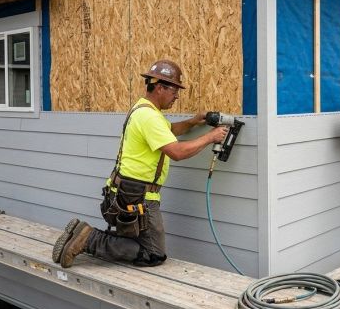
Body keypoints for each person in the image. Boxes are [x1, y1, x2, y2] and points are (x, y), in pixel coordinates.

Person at [52, 60, 228, 268]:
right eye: (174, 90)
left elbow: (169, 130)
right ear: (160, 87)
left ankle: (82, 235)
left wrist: (193, 121)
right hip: (139, 195)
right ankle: (88, 238)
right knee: (152, 254)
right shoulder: (149, 117)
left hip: (126, 189)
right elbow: (177, 152)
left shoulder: (144, 109)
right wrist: (211, 137)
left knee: (139, 242)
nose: (177, 96)